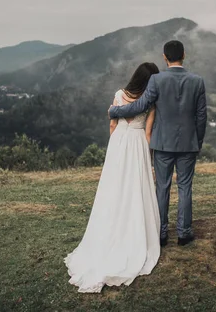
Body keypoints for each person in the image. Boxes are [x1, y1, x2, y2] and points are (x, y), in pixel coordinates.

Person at [65, 62, 161, 293]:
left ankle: (110, 230)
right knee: (135, 188)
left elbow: (112, 124)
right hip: (137, 143)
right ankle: (134, 232)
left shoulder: (119, 94)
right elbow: (147, 133)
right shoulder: (150, 104)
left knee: (115, 190)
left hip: (118, 143)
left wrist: (115, 147)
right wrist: (151, 161)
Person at [108, 40, 207, 247]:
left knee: (162, 188)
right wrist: (196, 141)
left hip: (162, 144)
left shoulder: (156, 80)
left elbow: (141, 105)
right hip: (188, 144)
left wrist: (115, 111)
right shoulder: (197, 81)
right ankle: (184, 233)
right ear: (184, 55)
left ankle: (161, 234)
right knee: (185, 187)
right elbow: (201, 117)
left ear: (164, 57)